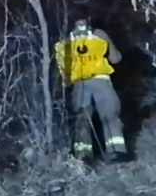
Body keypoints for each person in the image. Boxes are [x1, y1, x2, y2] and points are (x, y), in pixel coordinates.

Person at [54, 18, 128, 163]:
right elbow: (116, 58)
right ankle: (117, 152)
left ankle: (83, 156)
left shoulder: (65, 41)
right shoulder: (99, 34)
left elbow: (63, 68)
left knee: (82, 118)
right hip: (100, 80)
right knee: (110, 115)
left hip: (79, 83)